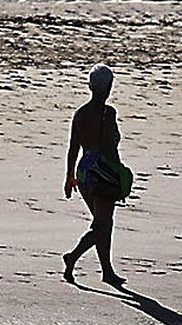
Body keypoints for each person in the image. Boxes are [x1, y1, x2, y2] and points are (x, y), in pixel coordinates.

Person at [63, 64, 126, 287]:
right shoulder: (108, 113)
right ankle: (73, 257)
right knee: (102, 224)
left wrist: (69, 177)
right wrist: (118, 173)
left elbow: (73, 147)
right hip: (103, 170)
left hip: (84, 171)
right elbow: (110, 146)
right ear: (108, 87)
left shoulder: (80, 114)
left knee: (102, 223)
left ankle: (107, 270)